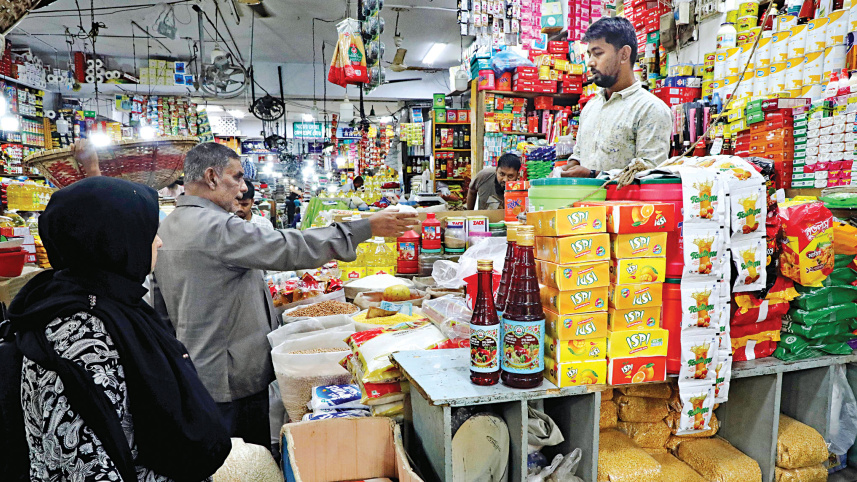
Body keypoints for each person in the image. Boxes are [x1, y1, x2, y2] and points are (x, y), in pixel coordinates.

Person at [153, 142, 418, 446]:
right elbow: (288, 246)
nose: (242, 189)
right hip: (232, 376)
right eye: (237, 177)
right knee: (248, 460)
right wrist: (363, 228)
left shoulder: (167, 227)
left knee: (221, 460)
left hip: (197, 372)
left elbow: (161, 312)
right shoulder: (217, 227)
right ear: (212, 177)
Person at [8, 177, 230, 481]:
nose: (159, 241)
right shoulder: (83, 336)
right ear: (114, 240)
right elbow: (88, 466)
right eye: (148, 232)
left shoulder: (112, 301)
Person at [561, 17, 671, 178]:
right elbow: (580, 154)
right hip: (585, 202)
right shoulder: (591, 107)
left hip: (627, 203)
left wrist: (594, 175)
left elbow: (652, 174)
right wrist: (570, 166)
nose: (590, 62)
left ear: (624, 54)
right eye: (589, 54)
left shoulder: (650, 109)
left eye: (598, 54)